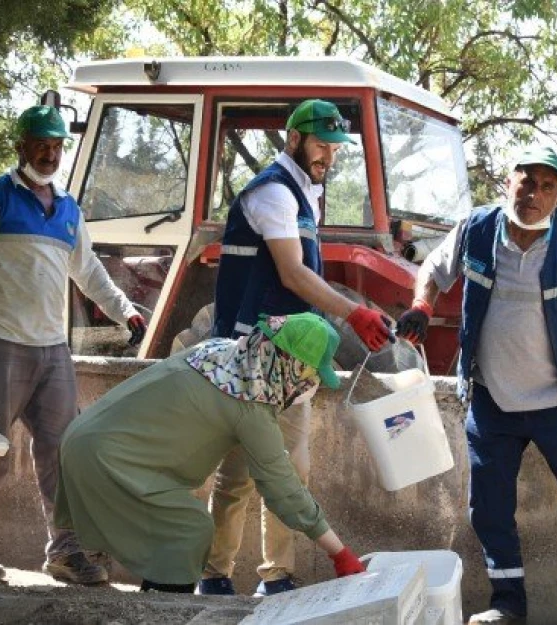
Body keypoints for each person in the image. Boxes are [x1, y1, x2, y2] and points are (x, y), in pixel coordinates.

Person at [396, 146, 557, 625]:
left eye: (546, 186)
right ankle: (507, 606)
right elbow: (432, 269)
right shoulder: (477, 229)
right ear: (508, 182)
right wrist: (423, 306)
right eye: (526, 181)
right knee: (489, 510)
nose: (533, 194)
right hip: (492, 402)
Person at [0, 105, 146, 586]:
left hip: (54, 352)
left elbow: (88, 271)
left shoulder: (68, 208)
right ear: (21, 147)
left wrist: (125, 310)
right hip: (0, 346)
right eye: (41, 146)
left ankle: (66, 553)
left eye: (56, 147)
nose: (50, 155)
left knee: (63, 453)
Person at [201, 99, 392, 597]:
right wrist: (353, 312)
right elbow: (291, 272)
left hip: (289, 357)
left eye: (335, 147)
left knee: (292, 469)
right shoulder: (272, 193)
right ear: (293, 140)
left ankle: (277, 575)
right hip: (250, 354)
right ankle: (214, 575)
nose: (329, 155)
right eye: (321, 145)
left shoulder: (305, 192)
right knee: (240, 473)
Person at [55, 312, 367, 593]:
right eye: (310, 377)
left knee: (175, 534)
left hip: (82, 439)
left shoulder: (221, 353)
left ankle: (156, 601)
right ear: (292, 366)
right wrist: (339, 553)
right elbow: (284, 489)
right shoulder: (251, 405)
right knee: (188, 530)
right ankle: (163, 611)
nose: (308, 387)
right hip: (107, 460)